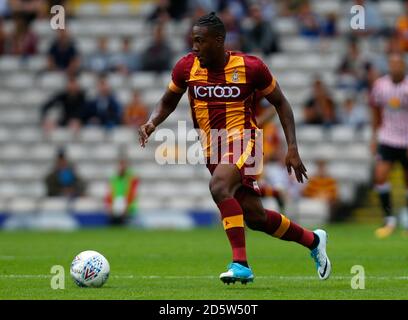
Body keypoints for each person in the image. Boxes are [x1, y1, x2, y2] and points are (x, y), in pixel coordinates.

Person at [139, 12, 331, 284]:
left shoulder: (250, 67)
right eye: (192, 40)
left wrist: (292, 148)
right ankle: (313, 240)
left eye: (199, 41)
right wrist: (152, 122)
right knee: (256, 217)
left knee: (218, 187)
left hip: (245, 141)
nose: (194, 47)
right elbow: (168, 100)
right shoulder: (186, 67)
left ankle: (240, 264)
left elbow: (281, 103)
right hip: (212, 148)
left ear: (218, 41)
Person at [370, 53, 408, 238]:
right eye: (392, 64)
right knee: (380, 175)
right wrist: (374, 137)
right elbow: (375, 110)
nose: (395, 68)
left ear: (404, 66)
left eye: (398, 64)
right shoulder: (380, 85)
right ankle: (389, 220)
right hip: (387, 138)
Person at [105, 159, 140, 225]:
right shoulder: (113, 179)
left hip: (129, 209)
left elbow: (132, 194)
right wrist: (109, 206)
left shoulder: (131, 178)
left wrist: (127, 207)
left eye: (123, 166)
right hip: (115, 208)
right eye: (120, 166)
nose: (121, 168)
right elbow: (110, 194)